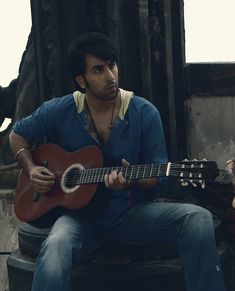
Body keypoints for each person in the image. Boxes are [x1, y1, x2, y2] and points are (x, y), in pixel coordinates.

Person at [9, 32, 226, 291]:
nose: (111, 76)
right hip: (81, 219)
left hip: (132, 213)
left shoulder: (144, 112)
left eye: (112, 65)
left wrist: (131, 183)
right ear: (82, 80)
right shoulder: (60, 110)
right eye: (99, 70)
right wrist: (31, 168)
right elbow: (17, 134)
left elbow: (158, 178)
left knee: (198, 219)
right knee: (56, 245)